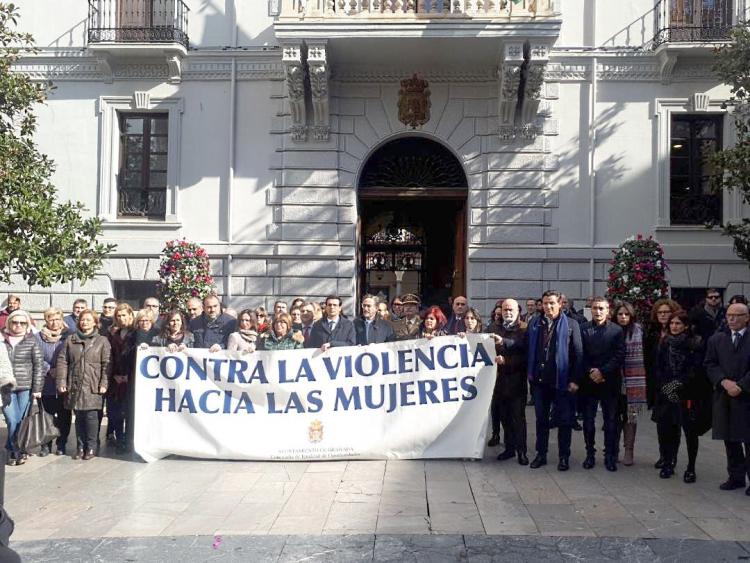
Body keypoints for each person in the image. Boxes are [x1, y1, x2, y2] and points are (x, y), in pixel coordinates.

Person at [526, 290, 583, 472]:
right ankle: (541, 454)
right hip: (540, 382)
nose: (548, 307)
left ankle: (563, 456)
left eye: (552, 303)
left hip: (562, 382)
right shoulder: (535, 323)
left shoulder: (572, 324)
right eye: (545, 303)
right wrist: (504, 342)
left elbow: (579, 354)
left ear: (560, 304)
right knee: (541, 420)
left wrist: (575, 380)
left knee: (564, 421)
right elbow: (524, 346)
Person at [652, 311, 705, 480]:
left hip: (687, 394)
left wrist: (675, 386)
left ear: (686, 326)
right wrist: (666, 387)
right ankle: (668, 463)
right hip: (666, 394)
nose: (674, 327)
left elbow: (695, 370)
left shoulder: (694, 343)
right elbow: (658, 367)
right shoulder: (665, 342)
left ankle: (691, 468)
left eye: (678, 324)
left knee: (690, 432)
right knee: (668, 430)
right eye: (672, 324)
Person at [704, 302, 750, 495]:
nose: (731, 319)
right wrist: (723, 382)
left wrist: (741, 385)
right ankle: (736, 477)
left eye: (737, 315)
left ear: (747, 317)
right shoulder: (717, 339)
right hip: (725, 396)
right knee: (730, 440)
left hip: (747, 396)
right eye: (729, 315)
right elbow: (710, 364)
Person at [56, 309, 111, 461]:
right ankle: (80, 446)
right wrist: (61, 381)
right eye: (82, 320)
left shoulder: (102, 341)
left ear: (95, 323)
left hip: (93, 383)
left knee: (92, 416)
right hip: (75, 383)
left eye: (88, 319)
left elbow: (107, 363)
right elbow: (63, 361)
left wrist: (104, 383)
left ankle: (91, 446)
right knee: (79, 416)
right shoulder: (71, 340)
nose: (84, 322)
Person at [578, 297, 625, 472]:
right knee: (588, 422)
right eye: (595, 308)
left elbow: (619, 355)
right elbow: (579, 353)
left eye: (601, 309)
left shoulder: (617, 330)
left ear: (608, 311)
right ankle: (590, 454)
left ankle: (610, 456)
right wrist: (591, 371)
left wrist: (602, 372)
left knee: (610, 421)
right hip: (589, 382)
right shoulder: (583, 329)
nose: (598, 312)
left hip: (609, 381)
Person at [488, 299, 529, 465]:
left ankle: (522, 451)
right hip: (497, 382)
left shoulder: (525, 329)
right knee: (504, 417)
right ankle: (509, 449)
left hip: (516, 381)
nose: (508, 313)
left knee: (518, 418)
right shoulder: (493, 328)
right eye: (505, 310)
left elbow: (526, 354)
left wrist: (507, 361)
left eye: (511, 309)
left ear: (518, 311)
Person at [1, 310, 43, 466]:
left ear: (27, 324)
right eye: (14, 322)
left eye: (22, 322)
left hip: (25, 387)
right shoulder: (1, 340)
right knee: (12, 419)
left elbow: (39, 366)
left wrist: (37, 389)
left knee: (21, 421)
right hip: (5, 387)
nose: (18, 325)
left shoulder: (32, 341)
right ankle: (15, 450)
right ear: (9, 323)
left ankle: (15, 450)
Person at [644, 298, 681, 468]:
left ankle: (672, 457)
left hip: (675, 386)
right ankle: (663, 455)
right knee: (661, 422)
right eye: (660, 312)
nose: (663, 315)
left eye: (666, 312)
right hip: (658, 384)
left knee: (674, 423)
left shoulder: (680, 333)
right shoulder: (653, 334)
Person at [614, 301, 648, 466]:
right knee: (614, 416)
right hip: (614, 380)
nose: (623, 317)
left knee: (631, 417)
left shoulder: (639, 332)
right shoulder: (611, 330)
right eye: (620, 314)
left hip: (634, 381)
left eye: (626, 314)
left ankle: (629, 450)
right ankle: (613, 450)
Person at [35, 308, 71, 457]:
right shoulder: (38, 337)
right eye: (51, 319)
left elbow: (73, 356)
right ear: (46, 320)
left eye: (57, 319)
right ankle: (46, 445)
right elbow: (36, 356)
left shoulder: (69, 336)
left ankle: (61, 443)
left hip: (64, 382)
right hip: (46, 382)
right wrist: (49, 368)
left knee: (64, 415)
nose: (55, 322)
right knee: (47, 415)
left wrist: (61, 370)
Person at [107, 303, 136, 453]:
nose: (121, 318)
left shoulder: (136, 333)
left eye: (124, 315)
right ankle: (119, 440)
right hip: (116, 380)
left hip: (132, 379)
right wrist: (115, 375)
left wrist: (128, 376)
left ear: (131, 315)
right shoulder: (114, 334)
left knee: (130, 413)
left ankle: (129, 441)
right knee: (116, 413)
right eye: (118, 316)